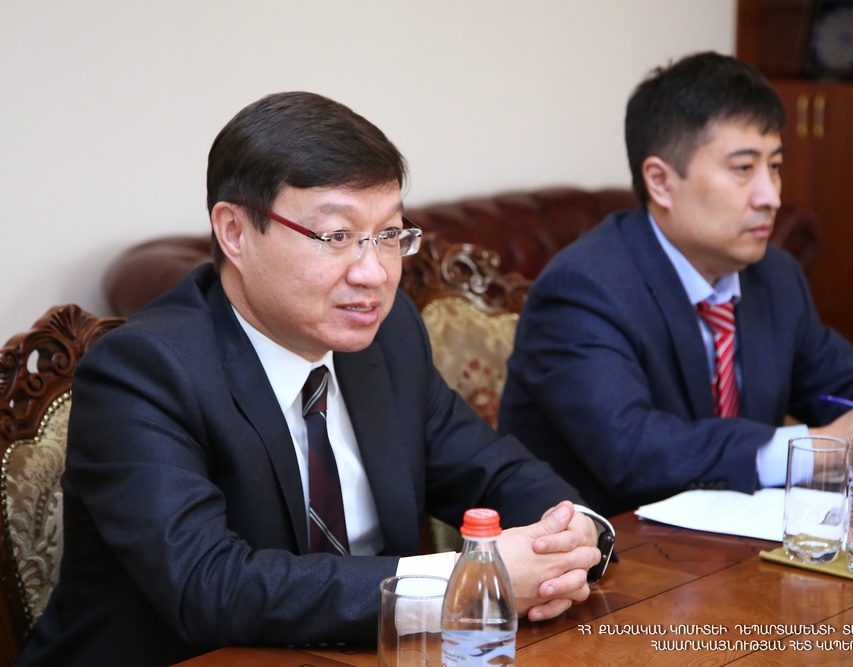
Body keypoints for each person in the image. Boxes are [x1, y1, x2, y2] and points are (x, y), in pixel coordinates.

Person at [19, 91, 602, 666]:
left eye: (389, 235)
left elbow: (493, 470)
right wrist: (464, 584)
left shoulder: (389, 336)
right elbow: (210, 587)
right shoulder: (144, 370)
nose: (374, 273)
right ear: (234, 232)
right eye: (336, 237)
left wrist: (574, 535)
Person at [498, 52, 853, 518]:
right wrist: (820, 449)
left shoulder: (773, 274)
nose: (771, 196)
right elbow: (633, 450)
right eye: (743, 169)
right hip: (605, 548)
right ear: (661, 182)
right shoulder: (583, 288)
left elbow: (838, 379)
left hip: (734, 538)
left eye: (775, 166)